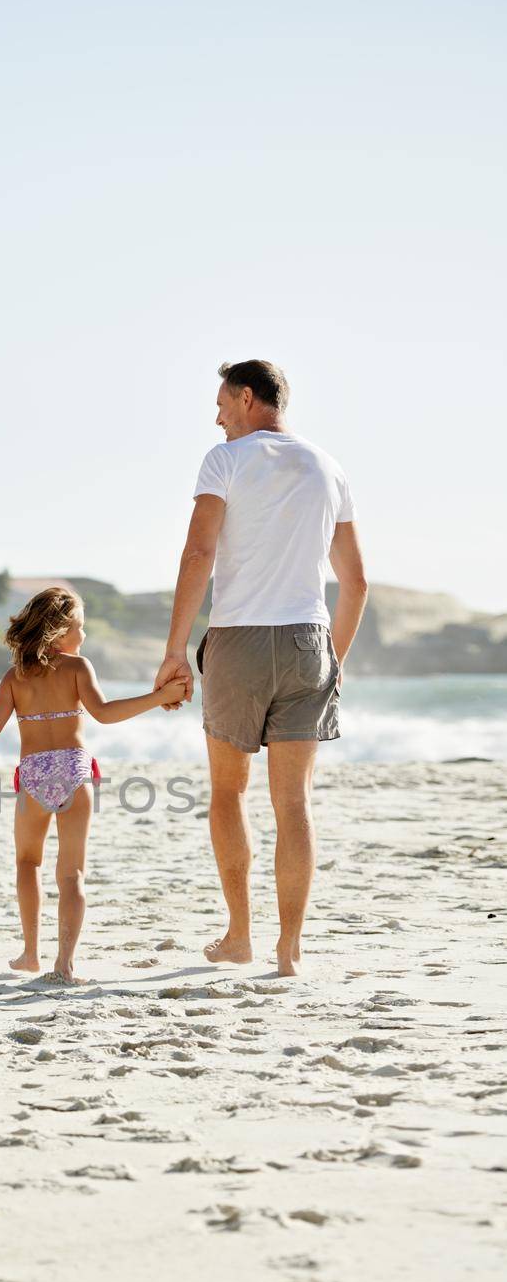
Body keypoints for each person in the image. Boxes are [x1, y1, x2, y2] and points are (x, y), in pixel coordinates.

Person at [153, 361, 368, 976]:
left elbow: (198, 552)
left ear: (248, 399)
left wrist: (174, 648)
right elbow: (354, 582)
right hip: (310, 640)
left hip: (239, 639)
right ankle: (289, 950)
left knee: (228, 791)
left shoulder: (226, 459)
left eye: (221, 402)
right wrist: (335, 662)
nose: (216, 416)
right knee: (293, 802)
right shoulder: (329, 466)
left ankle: (240, 935)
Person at [0, 587, 187, 984]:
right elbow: (106, 714)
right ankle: (65, 962)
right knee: (72, 874)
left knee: (28, 863)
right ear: (60, 632)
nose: (84, 634)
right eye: (80, 626)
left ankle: (30, 953)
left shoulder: (15, 677)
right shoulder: (78, 667)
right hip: (74, 772)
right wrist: (158, 697)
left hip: (34, 775)